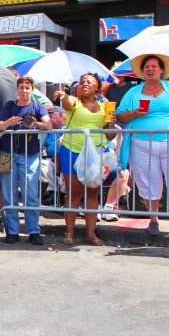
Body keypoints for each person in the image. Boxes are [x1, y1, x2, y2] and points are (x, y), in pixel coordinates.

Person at [116, 54, 169, 238]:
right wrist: (135, 113)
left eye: (154, 66)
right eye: (147, 67)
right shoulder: (133, 92)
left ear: (162, 70)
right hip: (142, 145)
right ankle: (153, 220)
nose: (150, 69)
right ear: (142, 71)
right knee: (147, 183)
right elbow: (120, 116)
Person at [52, 73, 116, 246]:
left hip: (97, 153)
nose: (85, 84)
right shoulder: (74, 101)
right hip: (73, 150)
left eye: (89, 82)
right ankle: (69, 232)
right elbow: (66, 103)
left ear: (97, 88)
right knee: (74, 193)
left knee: (93, 192)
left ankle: (90, 234)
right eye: (82, 82)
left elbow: (110, 136)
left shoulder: (105, 107)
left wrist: (111, 122)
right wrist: (63, 96)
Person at [0, 75, 52, 245]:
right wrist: (9, 122)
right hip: (7, 154)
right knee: (9, 193)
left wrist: (35, 124)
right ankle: (12, 231)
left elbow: (48, 125)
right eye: (21, 88)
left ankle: (33, 230)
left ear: (32, 89)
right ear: (17, 90)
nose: (24, 91)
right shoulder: (9, 106)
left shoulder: (37, 106)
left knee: (31, 193)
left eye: (27, 87)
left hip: (30, 154)